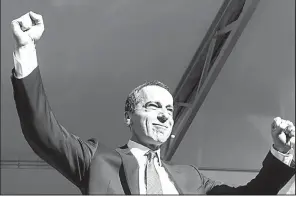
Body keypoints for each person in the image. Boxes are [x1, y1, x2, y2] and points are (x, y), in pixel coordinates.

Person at [10, 11, 295, 195]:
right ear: (128, 117)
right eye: (152, 107)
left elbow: (254, 193)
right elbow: (42, 132)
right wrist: (26, 50)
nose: (164, 116)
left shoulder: (191, 179)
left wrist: (280, 153)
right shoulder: (97, 161)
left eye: (169, 110)